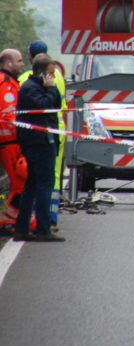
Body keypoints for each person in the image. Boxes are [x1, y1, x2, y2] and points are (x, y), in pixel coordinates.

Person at [13, 54, 64, 242]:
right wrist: (50, 89)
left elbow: (56, 104)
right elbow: (43, 106)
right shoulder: (30, 88)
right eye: (51, 73)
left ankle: (22, 228)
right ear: (42, 72)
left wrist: (52, 88)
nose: (53, 76)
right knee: (44, 184)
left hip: (44, 140)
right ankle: (42, 229)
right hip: (39, 142)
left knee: (33, 184)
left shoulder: (40, 87)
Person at [0, 48, 26, 229]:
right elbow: (9, 116)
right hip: (10, 142)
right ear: (8, 63)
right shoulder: (6, 84)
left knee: (20, 182)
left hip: (10, 141)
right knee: (20, 182)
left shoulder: (10, 82)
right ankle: (12, 218)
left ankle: (11, 216)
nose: (22, 64)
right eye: (19, 61)